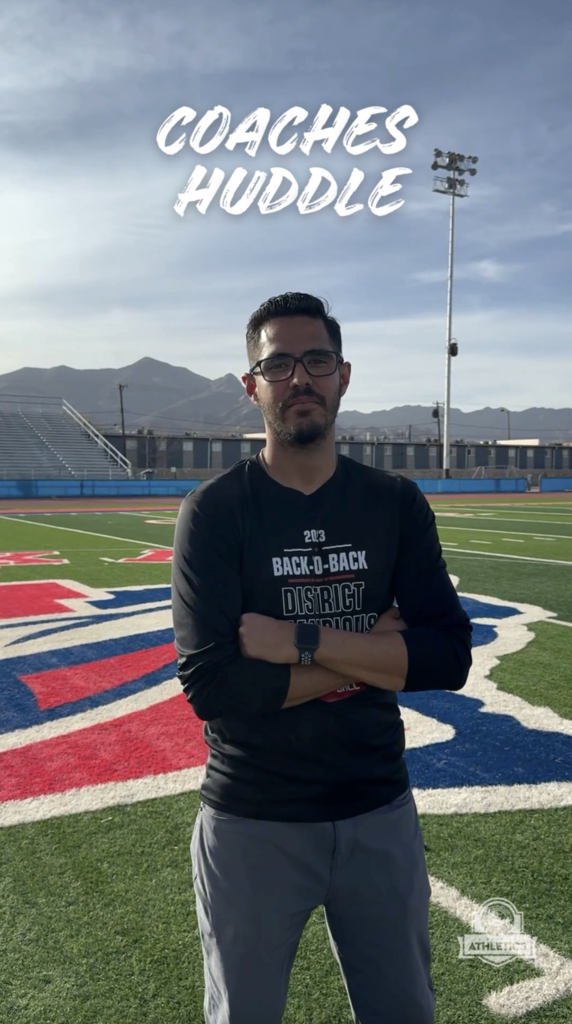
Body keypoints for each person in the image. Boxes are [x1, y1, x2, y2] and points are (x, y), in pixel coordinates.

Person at [171, 292, 473, 1024]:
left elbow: (448, 656)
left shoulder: (393, 503)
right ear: (252, 385)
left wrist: (303, 642)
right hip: (252, 819)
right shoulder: (215, 511)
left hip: (378, 808)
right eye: (279, 364)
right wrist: (375, 651)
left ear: (344, 375)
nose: (299, 377)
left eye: (316, 360)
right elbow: (215, 685)